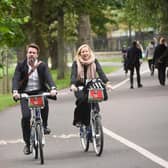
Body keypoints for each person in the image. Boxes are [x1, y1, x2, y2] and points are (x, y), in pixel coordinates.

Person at [12, 43, 57, 155]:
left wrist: (53, 88)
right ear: (27, 54)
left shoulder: (42, 65)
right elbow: (16, 79)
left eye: (33, 53)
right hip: (25, 94)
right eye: (29, 52)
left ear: (37, 55)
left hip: (39, 91)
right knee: (26, 117)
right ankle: (27, 143)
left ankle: (44, 126)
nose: (31, 54)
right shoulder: (20, 65)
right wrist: (15, 91)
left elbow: (48, 77)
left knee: (45, 101)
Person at [70, 44, 112, 127]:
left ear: (89, 52)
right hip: (80, 85)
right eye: (83, 52)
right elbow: (73, 75)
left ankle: (95, 116)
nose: (85, 53)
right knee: (82, 100)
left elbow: (100, 72)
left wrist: (107, 83)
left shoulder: (94, 61)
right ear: (79, 53)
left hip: (92, 83)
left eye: (86, 51)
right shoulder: (76, 62)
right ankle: (79, 120)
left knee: (94, 98)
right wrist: (73, 85)